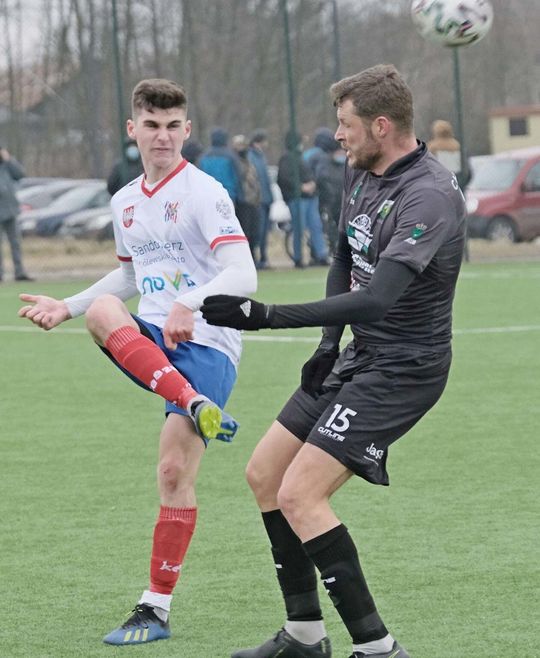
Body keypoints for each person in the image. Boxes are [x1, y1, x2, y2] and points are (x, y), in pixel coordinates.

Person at [201, 63, 466, 658]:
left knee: (301, 494)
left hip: (406, 368)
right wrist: (327, 345)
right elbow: (345, 256)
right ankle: (304, 636)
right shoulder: (360, 169)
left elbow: (377, 298)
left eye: (345, 124)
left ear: (381, 125)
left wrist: (265, 315)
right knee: (265, 476)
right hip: (359, 354)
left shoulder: (428, 195)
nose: (338, 135)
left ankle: (378, 649)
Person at [18, 78, 257, 646]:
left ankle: (155, 608)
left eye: (173, 126)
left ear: (187, 130)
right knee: (103, 310)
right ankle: (192, 402)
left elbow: (244, 274)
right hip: (154, 341)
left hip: (208, 342)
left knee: (174, 474)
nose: (163, 136)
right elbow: (129, 275)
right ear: (133, 130)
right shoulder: (125, 200)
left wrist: (188, 302)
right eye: (152, 125)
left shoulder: (205, 193)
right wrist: (67, 306)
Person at [277, 132, 329, 268]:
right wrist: (301, 187)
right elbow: (284, 178)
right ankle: (298, 258)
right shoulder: (287, 158)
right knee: (299, 228)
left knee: (316, 226)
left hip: (310, 198)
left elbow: (308, 174)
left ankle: (321, 255)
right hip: (298, 199)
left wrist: (312, 184)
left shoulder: (300, 157)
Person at [304, 127, 346, 255]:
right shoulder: (321, 157)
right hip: (324, 198)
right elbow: (323, 177)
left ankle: (318, 252)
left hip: (316, 196)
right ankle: (323, 252)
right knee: (324, 225)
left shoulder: (310, 154)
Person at [0, 147, 33, 282]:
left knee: (15, 243)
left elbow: (20, 174)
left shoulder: (6, 166)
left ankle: (19, 272)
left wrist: (8, 159)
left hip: (10, 209)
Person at [248, 130, 274, 269]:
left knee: (264, 231)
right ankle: (257, 258)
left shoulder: (261, 157)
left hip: (266, 199)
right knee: (258, 231)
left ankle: (264, 257)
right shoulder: (252, 157)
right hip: (258, 201)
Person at [232, 134, 261, 258]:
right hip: (242, 202)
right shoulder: (235, 162)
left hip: (253, 201)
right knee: (245, 232)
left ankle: (253, 257)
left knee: (254, 232)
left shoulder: (249, 162)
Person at [199, 127, 244, 206]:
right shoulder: (231, 156)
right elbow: (238, 178)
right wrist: (240, 197)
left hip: (207, 196)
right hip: (228, 195)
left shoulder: (204, 156)